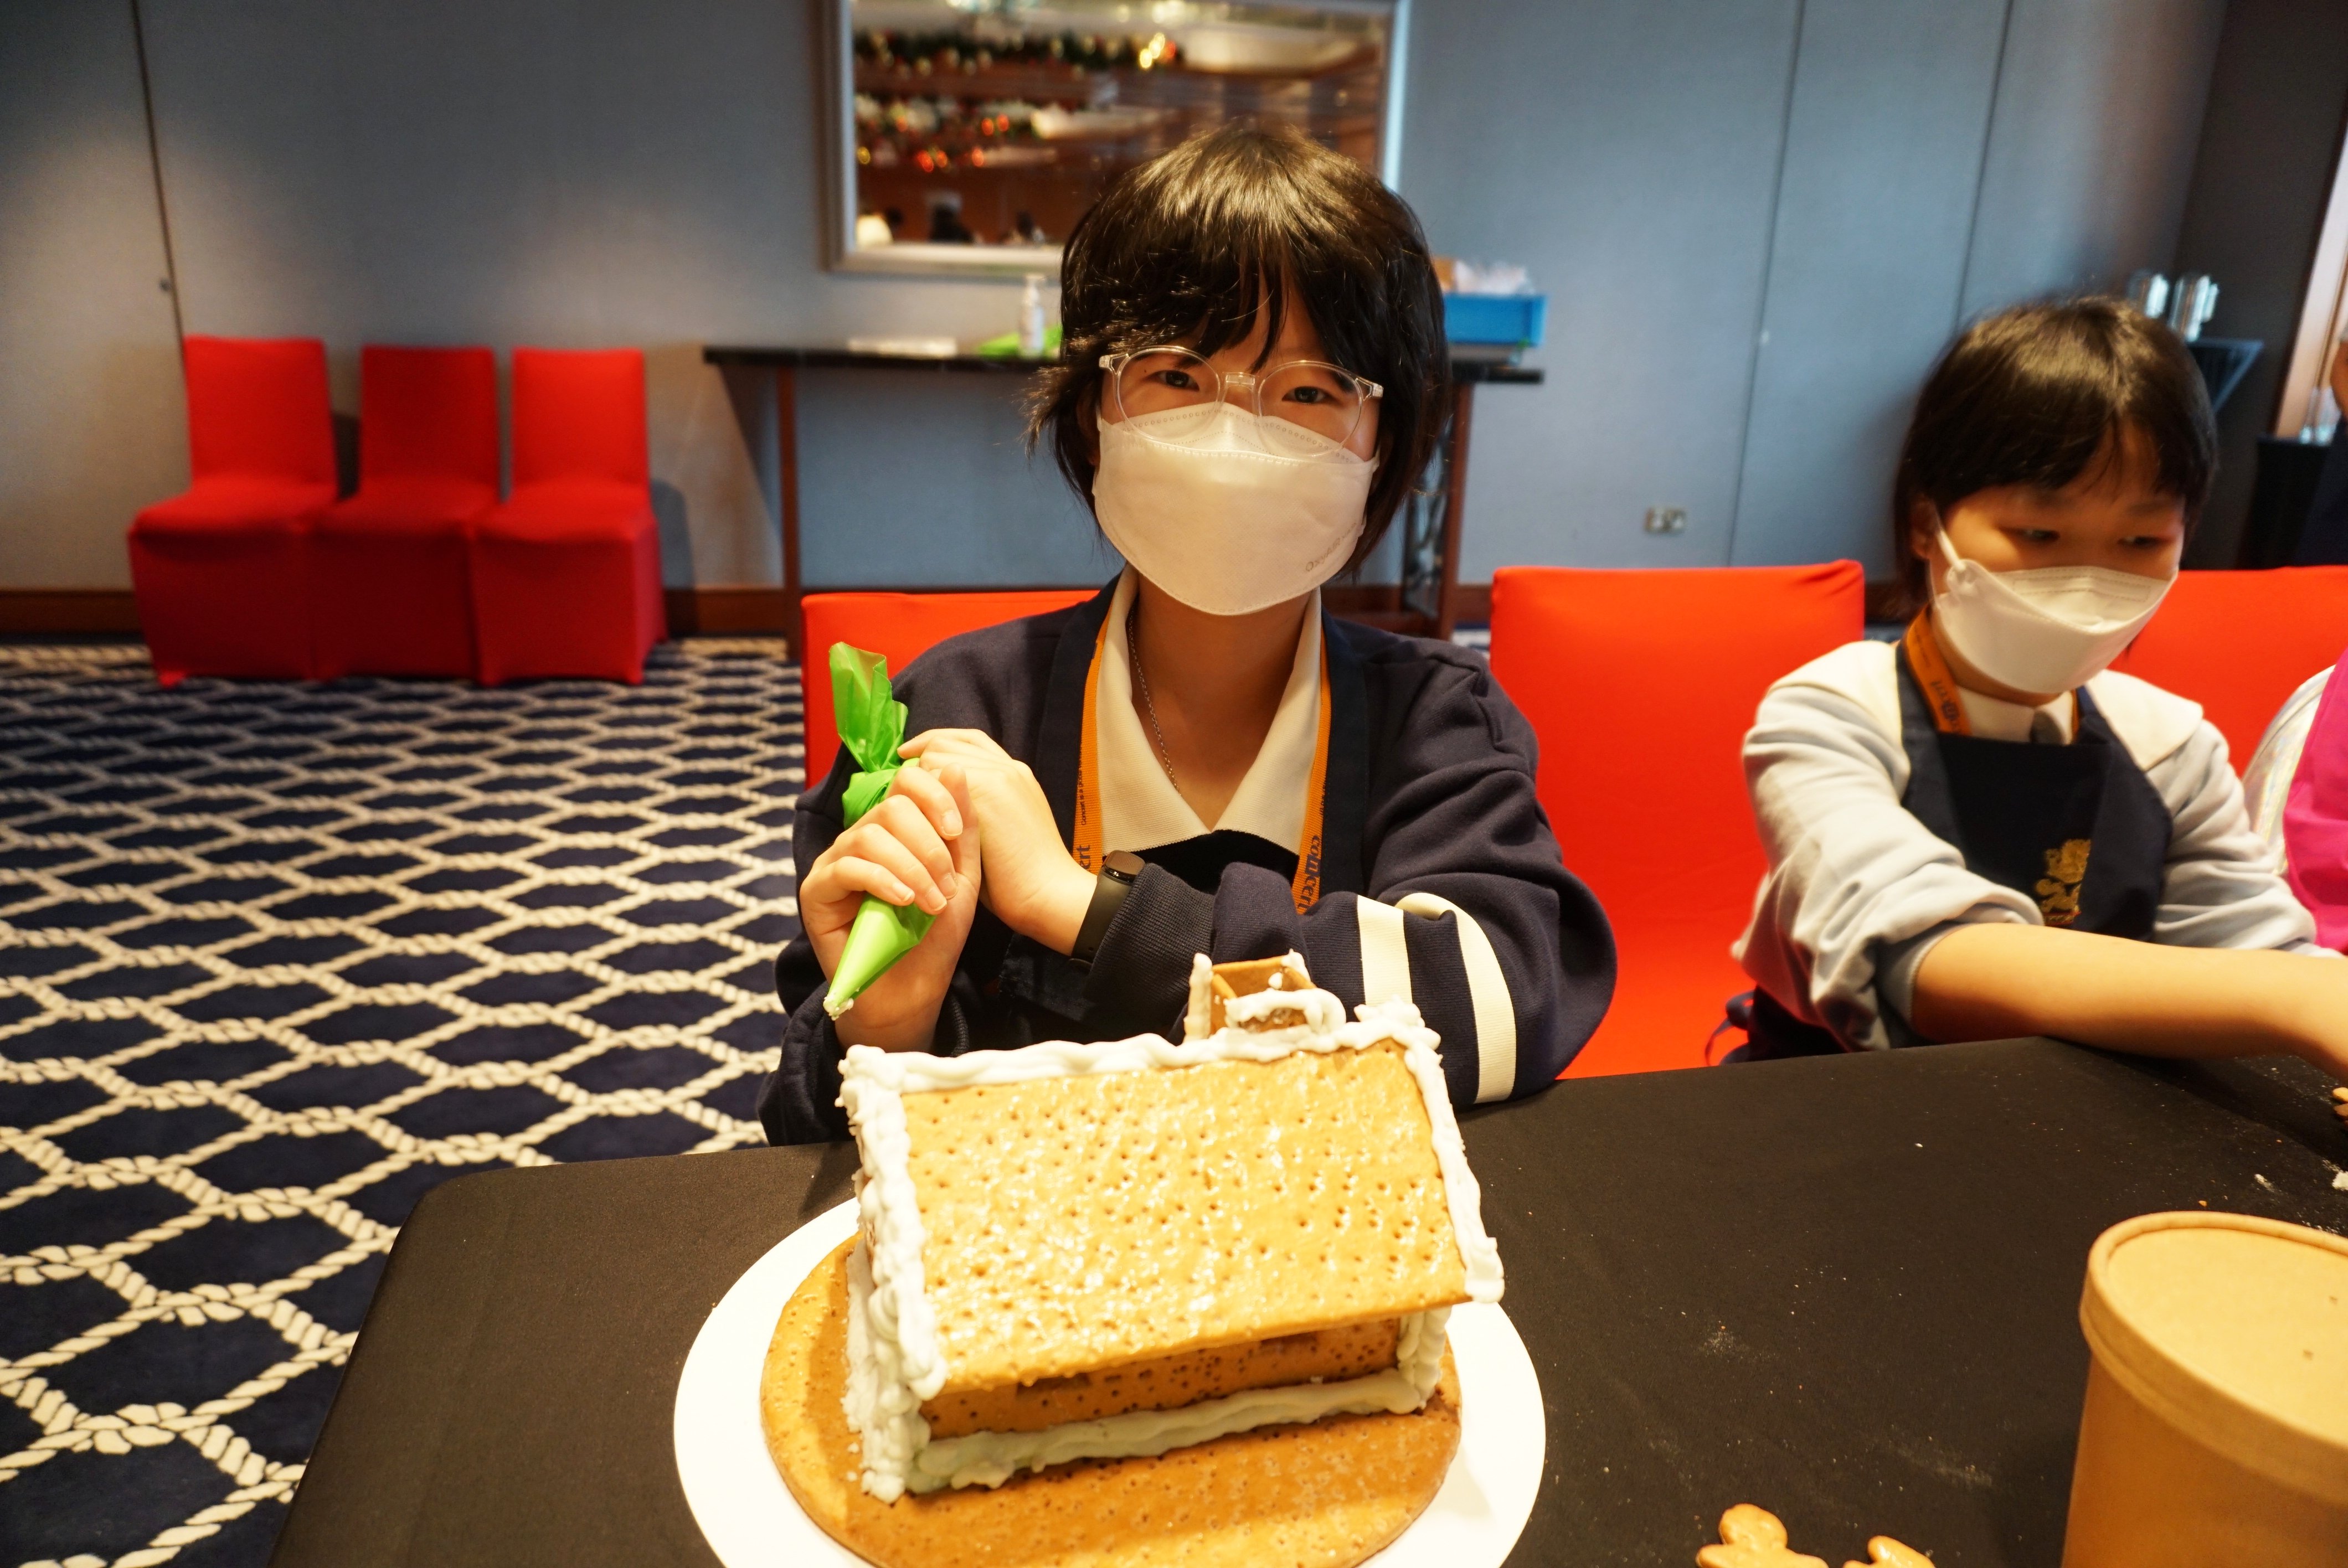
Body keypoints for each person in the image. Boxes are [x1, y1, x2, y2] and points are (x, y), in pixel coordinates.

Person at [761, 122, 1615, 1143]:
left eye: (1308, 391)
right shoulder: (952, 717)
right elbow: (807, 1129)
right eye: (1175, 377)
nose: (1233, 439)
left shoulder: (1435, 720)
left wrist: (1082, 908)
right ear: (1094, 413)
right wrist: (886, 1033)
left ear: (1384, 447)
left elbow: (1497, 1001)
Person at [1731, 298, 2348, 1101]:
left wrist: (2298, 985)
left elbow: (2253, 944)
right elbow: (1923, 958)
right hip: (1835, 1102)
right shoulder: (1831, 714)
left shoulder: (2171, 745)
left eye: (2140, 541)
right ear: (1925, 526)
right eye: (2040, 535)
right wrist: (2296, 996)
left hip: (2078, 1108)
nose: (2088, 580)